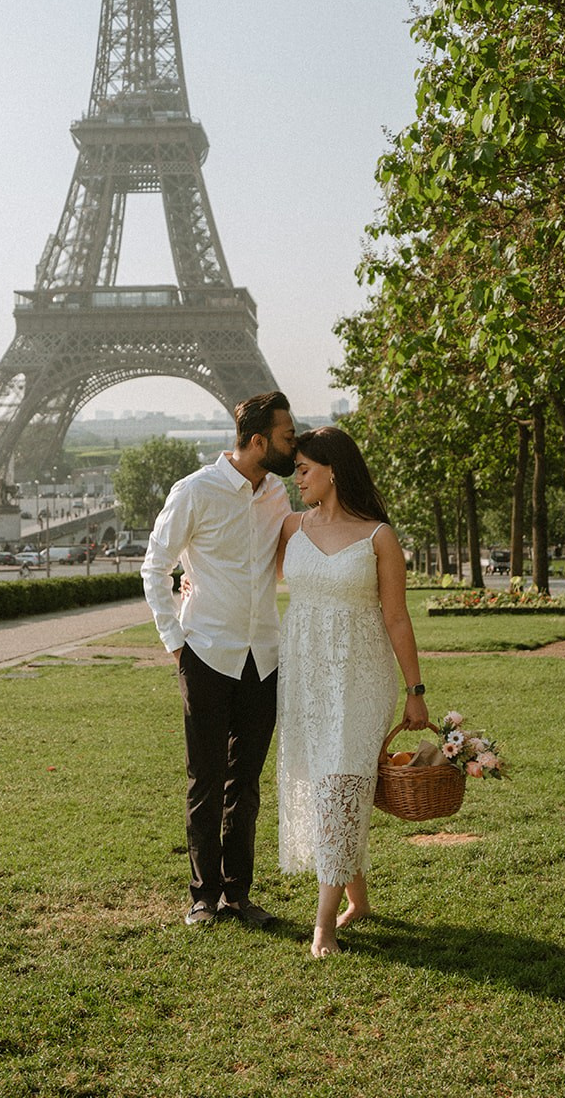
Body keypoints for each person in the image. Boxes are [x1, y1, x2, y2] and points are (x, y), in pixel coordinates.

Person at [141, 389, 297, 929]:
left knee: (246, 782)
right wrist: (176, 643)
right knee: (205, 779)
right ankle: (202, 895)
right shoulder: (196, 491)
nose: (292, 444)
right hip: (206, 652)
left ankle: (238, 894)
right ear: (258, 442)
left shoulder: (278, 493)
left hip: (264, 655)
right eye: (286, 436)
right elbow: (154, 565)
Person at [276, 426, 429, 958]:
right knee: (331, 786)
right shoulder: (291, 528)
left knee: (340, 786)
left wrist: (416, 690)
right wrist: (189, 580)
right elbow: (250, 576)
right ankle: (358, 901)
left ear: (333, 469)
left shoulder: (378, 537)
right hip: (307, 679)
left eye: (304, 469)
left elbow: (396, 616)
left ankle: (324, 925)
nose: (297, 479)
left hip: (361, 676)